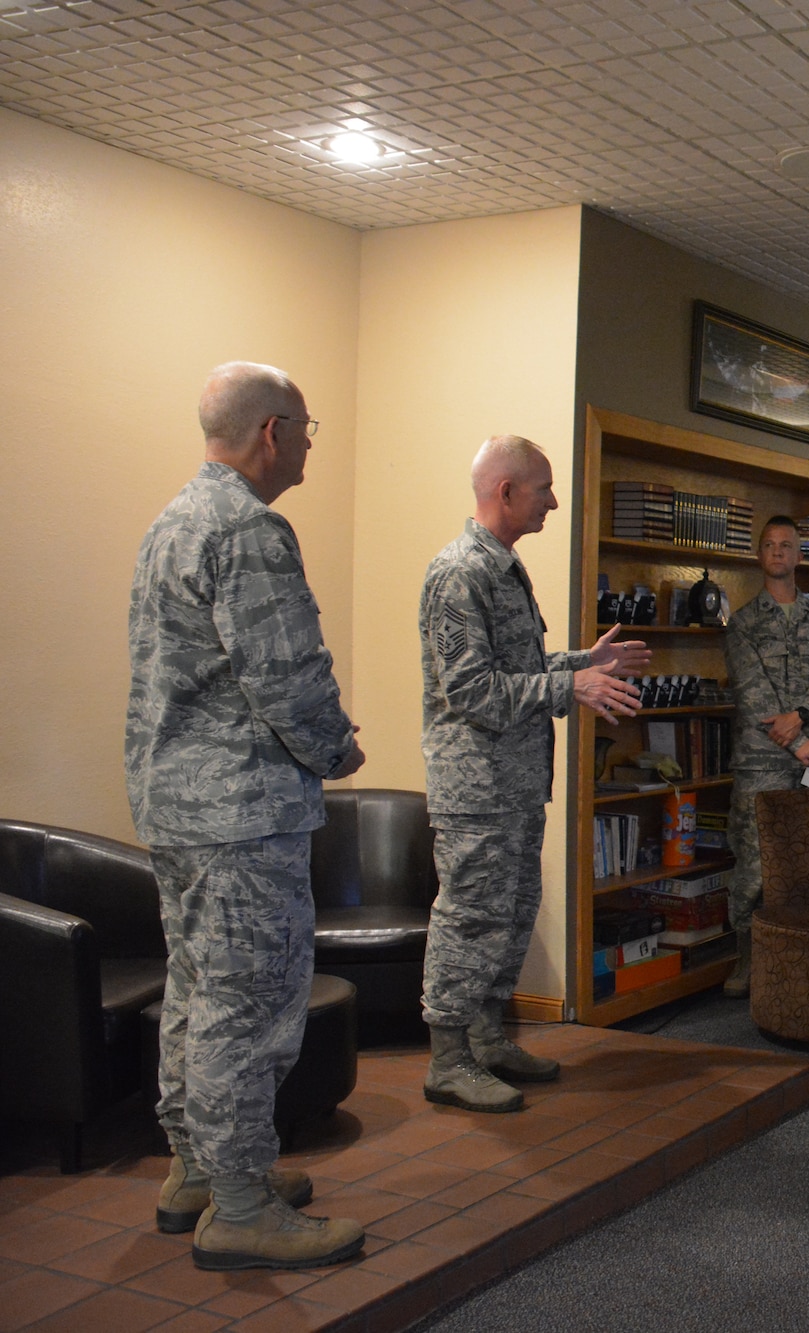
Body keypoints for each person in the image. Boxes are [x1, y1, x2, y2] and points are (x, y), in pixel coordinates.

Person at [128, 362, 367, 1268]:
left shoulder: (172, 523)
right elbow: (286, 675)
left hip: (178, 808)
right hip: (240, 814)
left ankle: (198, 1169)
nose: (308, 443)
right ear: (272, 431)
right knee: (248, 1005)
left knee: (195, 993)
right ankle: (238, 1206)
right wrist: (338, 748)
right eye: (306, 427)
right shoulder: (250, 529)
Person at [419, 435, 647, 1113]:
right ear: (506, 492)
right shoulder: (458, 572)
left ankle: (488, 1038)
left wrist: (580, 662)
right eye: (544, 486)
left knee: (511, 914)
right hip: (476, 788)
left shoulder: (503, 567)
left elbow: (517, 667)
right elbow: (473, 692)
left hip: (514, 784)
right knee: (469, 919)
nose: (554, 499)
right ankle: (448, 1059)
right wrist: (569, 689)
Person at [722, 515, 809, 997]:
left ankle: (804, 959)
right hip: (763, 764)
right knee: (755, 866)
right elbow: (752, 692)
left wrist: (802, 715)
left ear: (800, 556)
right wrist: (796, 740)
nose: (778, 553)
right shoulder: (742, 624)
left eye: (787, 546)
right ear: (760, 556)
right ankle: (747, 959)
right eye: (769, 546)